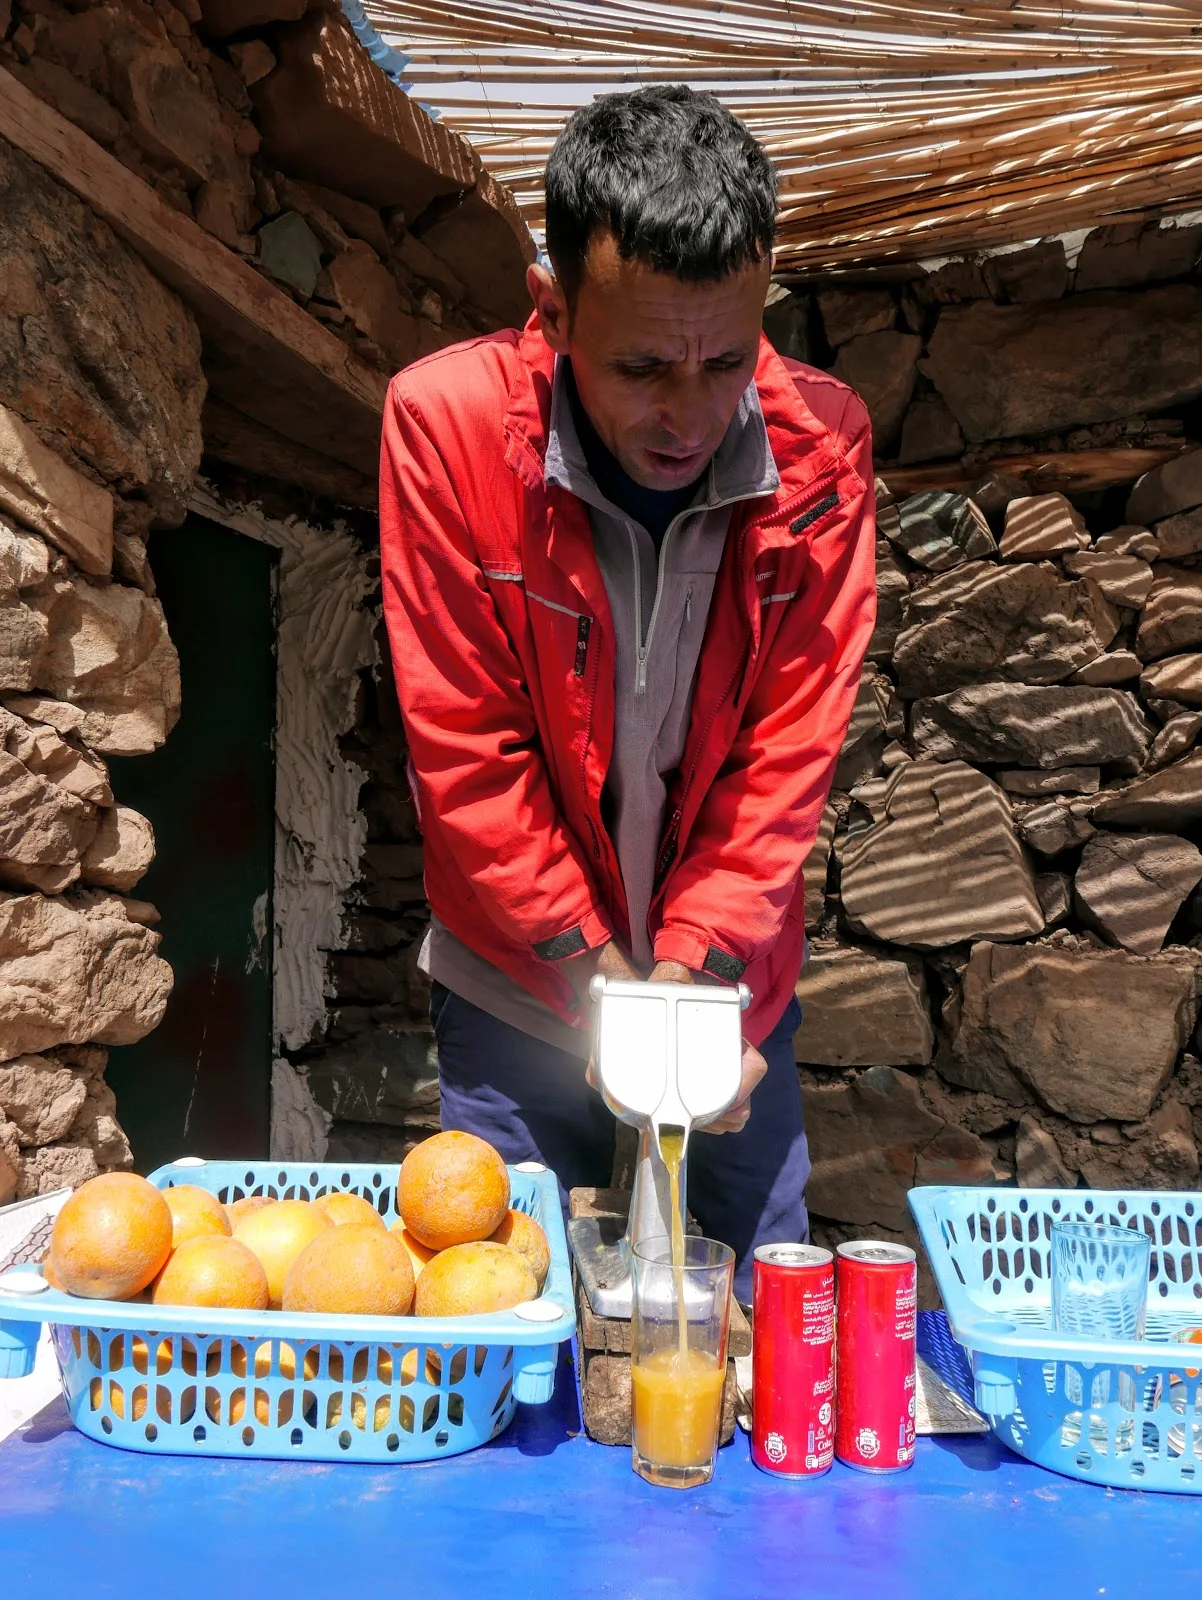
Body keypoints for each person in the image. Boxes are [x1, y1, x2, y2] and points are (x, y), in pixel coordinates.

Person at [379, 85, 876, 1299]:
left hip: (724, 991)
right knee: (506, 1316)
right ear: (552, 309)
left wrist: (692, 994)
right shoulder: (443, 425)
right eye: (644, 366)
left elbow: (784, 758)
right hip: (518, 970)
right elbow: (468, 750)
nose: (691, 414)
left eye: (727, 359)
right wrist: (608, 994)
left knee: (761, 1309)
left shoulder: (821, 448)